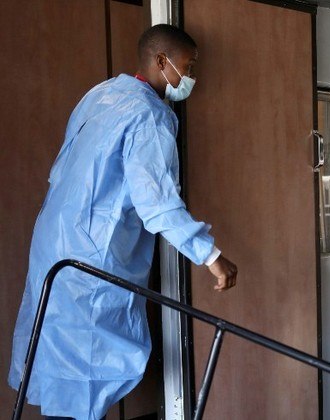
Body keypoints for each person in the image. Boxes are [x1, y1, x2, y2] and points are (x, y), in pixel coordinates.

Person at [8, 25, 238, 420]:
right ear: (162, 61)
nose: (191, 76)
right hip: (91, 255)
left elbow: (63, 165)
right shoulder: (151, 117)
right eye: (188, 66)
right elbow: (157, 203)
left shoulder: (101, 94)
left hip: (56, 240)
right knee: (85, 369)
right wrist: (211, 255)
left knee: (60, 358)